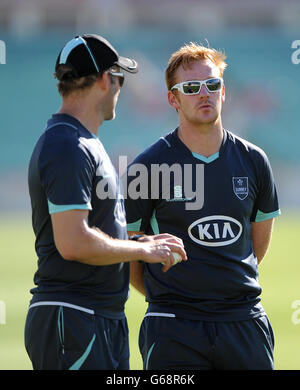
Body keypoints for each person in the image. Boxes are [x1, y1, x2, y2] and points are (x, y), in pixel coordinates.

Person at [25, 34, 186, 370]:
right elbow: (73, 243)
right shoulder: (67, 144)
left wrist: (140, 240)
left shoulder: (81, 140)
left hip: (94, 318)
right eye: (120, 78)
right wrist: (142, 251)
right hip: (75, 318)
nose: (120, 88)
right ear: (105, 79)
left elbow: (93, 232)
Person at [125, 42, 280, 370]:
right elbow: (129, 252)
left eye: (212, 85)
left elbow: (256, 245)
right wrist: (167, 294)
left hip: (244, 321)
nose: (204, 94)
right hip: (173, 325)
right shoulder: (148, 167)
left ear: (223, 91)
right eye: (191, 87)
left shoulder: (254, 161)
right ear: (173, 99)